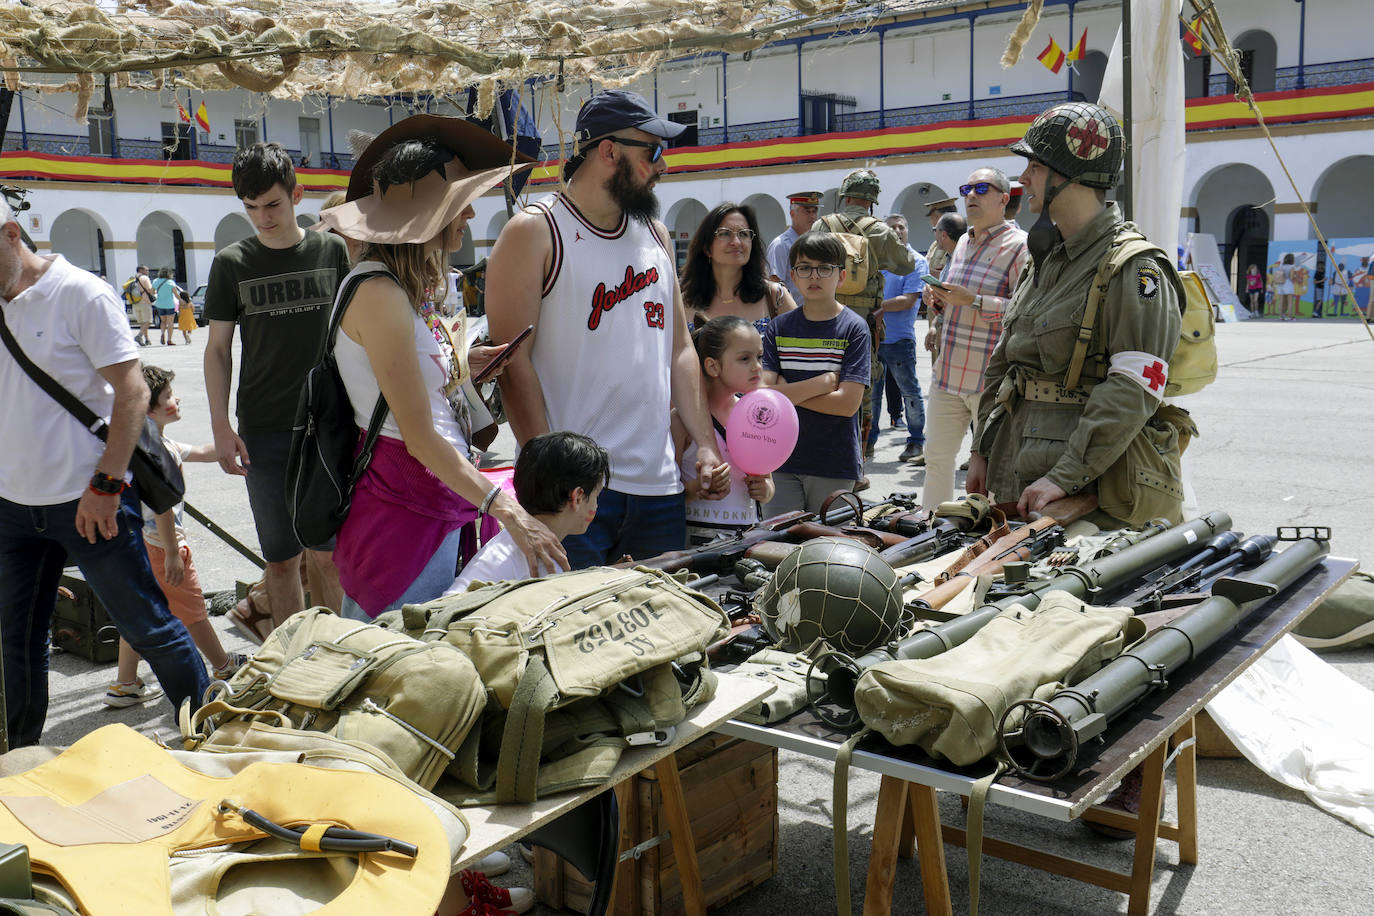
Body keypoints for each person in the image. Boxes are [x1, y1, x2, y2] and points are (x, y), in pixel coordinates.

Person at [315, 116, 568, 619]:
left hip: (434, 495)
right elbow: (419, 436)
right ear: (427, 216)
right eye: (459, 203)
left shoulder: (403, 288)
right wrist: (507, 508)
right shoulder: (380, 293)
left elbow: (416, 392)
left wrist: (464, 369)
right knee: (394, 668)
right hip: (404, 509)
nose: (471, 213)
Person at [486, 88, 728, 568]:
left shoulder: (655, 233)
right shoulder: (535, 232)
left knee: (659, 633)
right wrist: (550, 482)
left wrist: (703, 442)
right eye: (653, 152)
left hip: (659, 487)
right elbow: (513, 364)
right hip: (575, 495)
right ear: (608, 151)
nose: (663, 166)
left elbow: (680, 348)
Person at [0, 201, 209, 746]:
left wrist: (107, 485)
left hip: (89, 500)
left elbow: (134, 392)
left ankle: (208, 740)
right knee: (16, 643)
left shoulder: (79, 292)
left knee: (149, 628)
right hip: (11, 507)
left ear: (11, 234)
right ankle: (18, 763)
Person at [970, 101, 1183, 525]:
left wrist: (1065, 477)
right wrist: (981, 449)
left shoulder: (1133, 267)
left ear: (1068, 176)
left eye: (1035, 166)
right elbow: (1004, 361)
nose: (1024, 178)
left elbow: (1134, 388)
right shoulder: (1045, 258)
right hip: (1018, 469)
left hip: (1089, 489)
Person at [204, 141, 351, 642]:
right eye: (250, 208)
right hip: (264, 429)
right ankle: (296, 662)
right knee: (281, 562)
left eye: (272, 205)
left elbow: (359, 333)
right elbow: (218, 350)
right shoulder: (231, 263)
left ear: (297, 195)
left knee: (328, 556)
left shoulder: (333, 250)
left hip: (329, 425)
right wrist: (221, 428)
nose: (262, 218)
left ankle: (337, 653)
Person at [104, 366, 246, 707]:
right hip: (163, 547)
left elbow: (198, 451)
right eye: (168, 396)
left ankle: (125, 683)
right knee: (194, 611)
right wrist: (172, 551)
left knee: (138, 614)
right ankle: (223, 666)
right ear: (149, 407)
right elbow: (163, 507)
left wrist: (233, 445)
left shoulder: (148, 442)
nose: (176, 398)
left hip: (139, 548)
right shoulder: (159, 451)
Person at [920, 167, 1028, 511]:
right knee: (936, 459)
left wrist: (975, 301)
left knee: (992, 471)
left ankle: (990, 540)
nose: (971, 195)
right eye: (967, 188)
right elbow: (957, 298)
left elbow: (1025, 310)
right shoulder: (964, 241)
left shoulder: (1020, 247)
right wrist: (937, 301)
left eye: (982, 188)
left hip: (989, 382)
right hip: (948, 374)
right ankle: (930, 528)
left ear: (1003, 198)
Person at [815, 169, 916, 478]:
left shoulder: (823, 225)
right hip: (863, 324)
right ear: (872, 201)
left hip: (824, 319)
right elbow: (907, 263)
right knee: (862, 388)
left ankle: (823, 455)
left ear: (844, 194)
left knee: (822, 382)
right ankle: (857, 463)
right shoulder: (880, 230)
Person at [761, 232, 869, 514]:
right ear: (793, 276)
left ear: (841, 276)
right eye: (805, 268)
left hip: (833, 461)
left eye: (825, 268)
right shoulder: (779, 328)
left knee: (828, 549)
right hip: (781, 459)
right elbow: (763, 394)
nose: (814, 276)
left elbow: (847, 405)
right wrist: (821, 384)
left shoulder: (854, 329)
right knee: (778, 547)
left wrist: (787, 392)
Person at [446, 432, 610, 593]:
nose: (596, 505)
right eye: (596, 495)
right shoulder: (544, 559)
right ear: (578, 497)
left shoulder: (510, 540)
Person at [676, 316, 776, 544]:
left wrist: (765, 489)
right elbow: (666, 497)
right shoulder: (682, 420)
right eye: (744, 358)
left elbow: (768, 483)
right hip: (694, 541)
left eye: (759, 357)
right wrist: (699, 487)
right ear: (713, 366)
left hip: (746, 538)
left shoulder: (758, 416)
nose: (757, 367)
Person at [867, 214, 928, 464]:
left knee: (909, 393)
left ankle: (915, 442)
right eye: (892, 227)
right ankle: (868, 442)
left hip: (900, 340)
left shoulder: (916, 261)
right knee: (872, 395)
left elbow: (908, 300)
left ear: (907, 230)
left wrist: (877, 308)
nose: (898, 231)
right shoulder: (878, 261)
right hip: (875, 338)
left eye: (902, 226)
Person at [681, 202, 796, 333]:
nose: (736, 242)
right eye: (724, 233)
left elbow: (802, 347)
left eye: (743, 234)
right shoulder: (683, 303)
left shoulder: (776, 297)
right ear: (707, 248)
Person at [765, 191, 821, 301]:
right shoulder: (781, 245)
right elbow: (774, 283)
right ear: (792, 214)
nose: (812, 216)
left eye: (814, 211)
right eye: (807, 211)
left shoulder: (816, 242)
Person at [922, 196, 960, 279]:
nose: (931, 221)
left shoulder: (960, 243)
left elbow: (949, 276)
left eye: (932, 216)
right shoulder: (935, 244)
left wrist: (922, 270)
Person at [124, 265, 155, 347]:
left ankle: (147, 339)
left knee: (142, 323)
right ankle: (139, 336)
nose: (148, 271)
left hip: (135, 303)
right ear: (141, 270)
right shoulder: (144, 278)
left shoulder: (132, 279)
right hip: (145, 302)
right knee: (148, 321)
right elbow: (149, 289)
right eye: (146, 270)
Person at [150, 267, 181, 346]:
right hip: (170, 305)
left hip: (159, 304)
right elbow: (176, 294)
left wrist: (159, 292)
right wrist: (182, 301)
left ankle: (162, 333)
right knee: (170, 322)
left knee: (163, 321)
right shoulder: (171, 282)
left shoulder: (155, 281)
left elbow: (152, 292)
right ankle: (169, 340)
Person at [1272, 253, 1296, 321]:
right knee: (1290, 301)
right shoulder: (1292, 266)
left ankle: (1281, 316)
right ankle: (1289, 316)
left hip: (1280, 283)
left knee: (1281, 301)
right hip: (1288, 283)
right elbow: (1291, 277)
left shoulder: (1281, 266)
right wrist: (1295, 276)